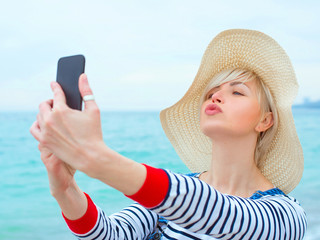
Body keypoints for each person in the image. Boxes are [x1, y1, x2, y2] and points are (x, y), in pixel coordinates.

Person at [30, 29, 307, 239]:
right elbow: (108, 234)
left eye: (236, 91)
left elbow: (220, 213)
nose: (217, 97)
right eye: (211, 93)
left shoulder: (286, 215)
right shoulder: (169, 198)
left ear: (265, 120)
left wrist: (95, 158)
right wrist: (64, 187)